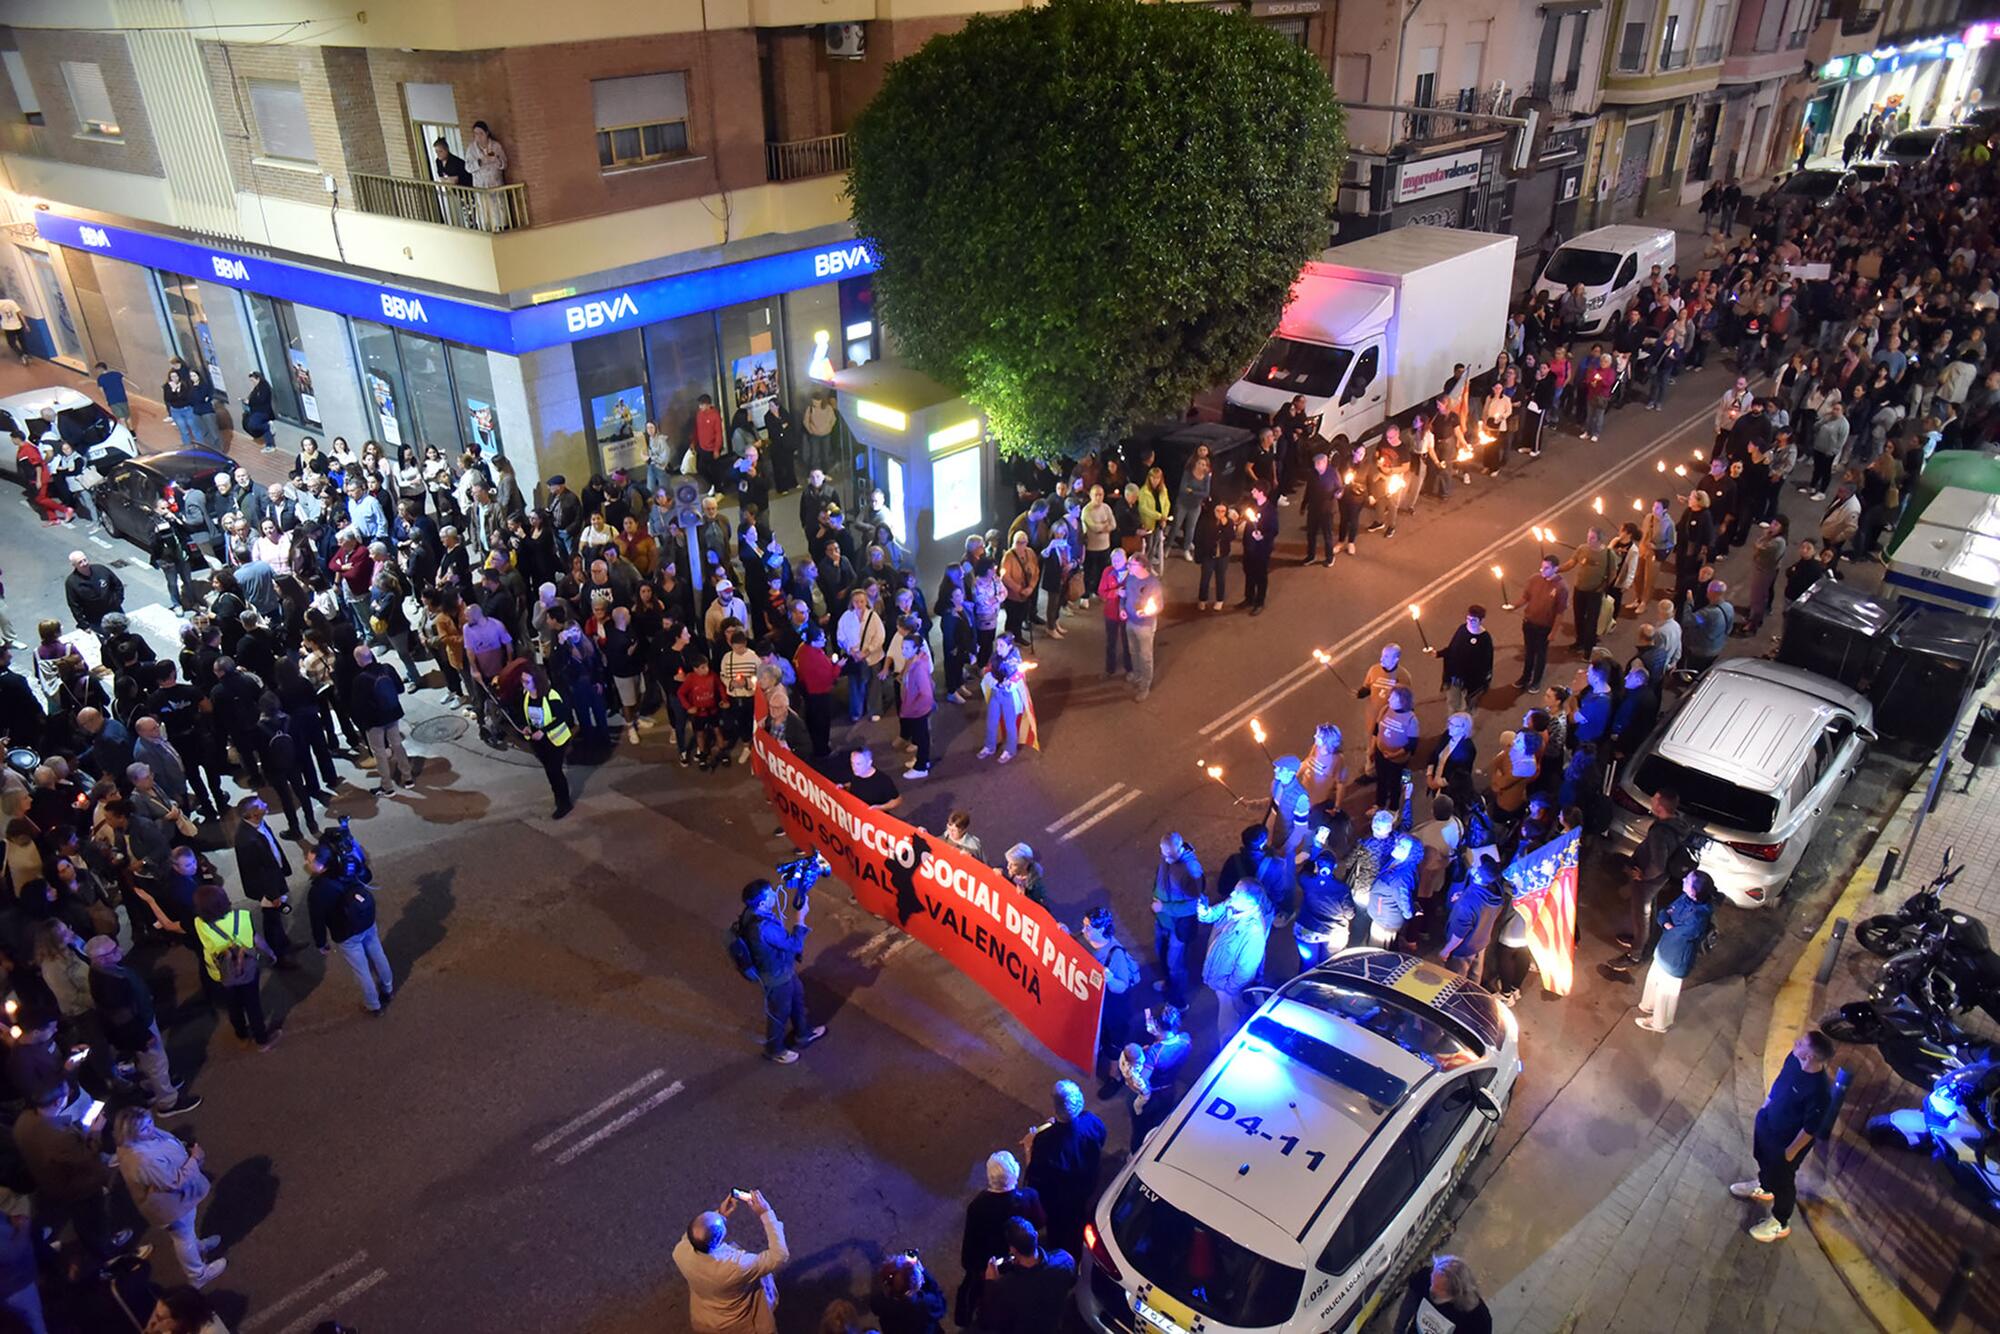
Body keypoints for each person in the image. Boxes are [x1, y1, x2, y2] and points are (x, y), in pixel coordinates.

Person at [1731, 1030, 1834, 1243]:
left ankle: (1779, 1222)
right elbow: (1781, 1081)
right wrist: (1766, 1106)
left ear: (1810, 1056)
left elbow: (1810, 1129)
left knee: (1783, 1180)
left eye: (1801, 1043)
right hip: (1768, 1122)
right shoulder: (1794, 1058)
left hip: (1786, 1143)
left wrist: (1790, 1153)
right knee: (1763, 1160)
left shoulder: (1820, 1091)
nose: (1796, 1042)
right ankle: (1763, 1186)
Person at [86, 935, 200, 1116]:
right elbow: (123, 1018)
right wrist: (143, 1037)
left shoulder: (105, 971)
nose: (120, 951)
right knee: (157, 1062)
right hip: (140, 1028)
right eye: (114, 950)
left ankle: (151, 1086)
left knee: (149, 1062)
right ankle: (168, 1101)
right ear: (101, 959)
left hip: (139, 1023)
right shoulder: (109, 985)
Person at [112, 1106, 225, 1288]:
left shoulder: (137, 1140)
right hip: (169, 1206)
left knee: (187, 1232)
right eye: (143, 1128)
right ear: (132, 1132)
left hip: (175, 1202)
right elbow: (173, 1182)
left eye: (149, 1122)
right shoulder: (142, 1160)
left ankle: (197, 1248)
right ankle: (198, 1274)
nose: (150, 1128)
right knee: (183, 1237)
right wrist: (194, 1159)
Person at [671, 1188, 789, 1333]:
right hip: (740, 1324)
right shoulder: (736, 1266)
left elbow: (698, 1232)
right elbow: (779, 1255)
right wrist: (766, 1214)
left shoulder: (680, 1252)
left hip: (705, 1319)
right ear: (719, 1239)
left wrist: (720, 1213)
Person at [737, 878, 825, 1064]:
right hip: (776, 978)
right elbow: (794, 945)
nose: (775, 895)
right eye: (770, 894)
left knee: (797, 1000)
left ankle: (803, 1034)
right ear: (762, 902)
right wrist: (800, 918)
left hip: (784, 971)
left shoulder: (752, 914)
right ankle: (774, 1050)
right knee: (779, 1015)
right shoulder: (764, 927)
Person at [955, 1152, 1045, 1326]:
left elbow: (971, 1243)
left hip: (988, 1262)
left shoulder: (977, 1206)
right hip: (1018, 1261)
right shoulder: (1028, 1197)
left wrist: (973, 1267)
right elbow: (1040, 1221)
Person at [1608, 788, 1690, 972]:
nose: (1651, 801)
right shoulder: (1677, 822)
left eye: (1654, 800)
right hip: (1659, 879)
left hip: (1649, 881)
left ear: (1660, 807)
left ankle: (1635, 955)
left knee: (1641, 915)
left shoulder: (1660, 833)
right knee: (1648, 910)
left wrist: (1643, 876)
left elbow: (1658, 864)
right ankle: (1642, 941)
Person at [308, 838, 393, 1015]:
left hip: (346, 932)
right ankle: (388, 988)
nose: (306, 863)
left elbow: (317, 919)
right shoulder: (348, 870)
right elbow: (367, 876)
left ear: (322, 865)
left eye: (310, 861)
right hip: (366, 921)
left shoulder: (318, 890)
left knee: (361, 969)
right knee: (378, 953)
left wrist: (321, 942)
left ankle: (373, 1005)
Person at [1020, 1079, 1103, 1259]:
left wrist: (1028, 1147)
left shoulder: (1045, 1142)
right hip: (1085, 1188)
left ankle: (1061, 1256)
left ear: (1055, 1106)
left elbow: (1034, 1176)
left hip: (1058, 1202)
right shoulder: (1093, 1122)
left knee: (1059, 1234)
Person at [194, 882, 282, 1050]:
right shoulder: (242, 917)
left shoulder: (199, 923)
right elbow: (255, 938)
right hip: (246, 970)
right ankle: (262, 1040)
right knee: (253, 1004)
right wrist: (270, 953)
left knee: (233, 1005)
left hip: (220, 972)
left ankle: (241, 1035)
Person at [1635, 869, 1714, 1033]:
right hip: (1664, 950)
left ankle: (1660, 1023)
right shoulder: (1687, 898)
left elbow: (1678, 931)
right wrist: (1667, 923)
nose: (1684, 878)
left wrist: (1668, 923)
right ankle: (1649, 1006)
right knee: (1653, 980)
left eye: (1688, 880)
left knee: (1666, 993)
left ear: (1693, 891)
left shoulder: (1699, 917)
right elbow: (1665, 913)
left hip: (1676, 959)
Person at [974, 1215, 1076, 1334]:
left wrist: (990, 1283)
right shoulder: (1064, 1259)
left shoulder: (1003, 1288)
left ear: (1012, 1249)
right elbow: (1072, 1281)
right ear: (1036, 1236)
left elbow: (987, 1321)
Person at [1197, 882, 1270, 1044]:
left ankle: (1225, 1053)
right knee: (1225, 1019)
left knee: (1227, 1025)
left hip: (1229, 989)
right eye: (1234, 889)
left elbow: (1245, 970)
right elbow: (1210, 916)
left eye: (1238, 893)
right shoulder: (1232, 905)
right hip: (1220, 982)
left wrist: (1228, 989)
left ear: (1251, 902)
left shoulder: (1253, 932)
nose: (1232, 894)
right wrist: (1204, 911)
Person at [232, 796, 299, 969]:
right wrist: (272, 894)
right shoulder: (247, 840)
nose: (266, 804)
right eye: (261, 805)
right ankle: (279, 956)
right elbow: (257, 871)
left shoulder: (259, 824)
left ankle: (284, 945)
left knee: (275, 918)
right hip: (267, 887)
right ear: (253, 813)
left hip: (274, 877)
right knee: (271, 921)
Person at [1150, 832, 1204, 1006]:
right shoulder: (1167, 858)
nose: (1167, 858)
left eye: (1170, 854)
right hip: (1162, 920)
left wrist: (1163, 907)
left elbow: (1192, 905)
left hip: (1177, 925)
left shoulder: (1191, 870)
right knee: (1162, 953)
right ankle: (1168, 983)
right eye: (1164, 853)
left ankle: (1178, 999)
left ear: (1180, 848)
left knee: (1176, 964)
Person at [1394, 1254, 1492, 1334]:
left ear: (1455, 1293)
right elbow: (1408, 1306)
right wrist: (1398, 1331)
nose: (1431, 1289)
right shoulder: (1424, 1278)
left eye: (1440, 1289)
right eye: (1432, 1282)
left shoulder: (1478, 1320)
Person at [1514, 555, 1569, 692]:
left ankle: (1536, 682)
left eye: (1546, 568)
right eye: (1542, 566)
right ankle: (1525, 677)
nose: (1542, 570)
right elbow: (1526, 597)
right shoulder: (1535, 579)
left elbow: (1560, 612)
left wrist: (1553, 632)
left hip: (1544, 628)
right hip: (1529, 623)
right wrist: (1514, 606)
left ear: (1555, 569)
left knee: (1540, 654)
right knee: (1529, 652)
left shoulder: (1561, 587)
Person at [870, 1251, 946, 1334]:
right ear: (917, 1283)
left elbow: (875, 1306)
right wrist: (923, 1271)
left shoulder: (881, 1303)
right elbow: (941, 1305)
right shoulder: (926, 1304)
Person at [1439, 606, 1493, 713]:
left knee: (1469, 706)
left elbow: (1486, 663)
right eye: (1468, 618)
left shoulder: (1484, 639)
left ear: (1481, 620)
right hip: (1456, 677)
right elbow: (1452, 649)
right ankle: (1454, 724)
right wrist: (1437, 653)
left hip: (1472, 680)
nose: (1469, 622)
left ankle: (1466, 722)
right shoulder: (1462, 629)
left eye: (1473, 620)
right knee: (1453, 703)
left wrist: (1485, 679)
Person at [1123, 552, 1162, 700]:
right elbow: (1125, 595)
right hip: (1130, 621)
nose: (1128, 567)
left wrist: (1146, 613)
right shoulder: (1131, 577)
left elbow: (1158, 605)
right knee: (1133, 650)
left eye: (1131, 564)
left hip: (1145, 625)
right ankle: (1137, 674)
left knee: (1145, 656)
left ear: (1142, 566)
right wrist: (1122, 609)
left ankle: (1145, 685)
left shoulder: (1153, 583)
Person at [64, 551, 125, 635]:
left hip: (115, 611)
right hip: (96, 619)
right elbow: (74, 605)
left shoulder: (101, 569)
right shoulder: (72, 582)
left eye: (84, 560)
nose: (84, 563)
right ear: (74, 565)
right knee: (107, 642)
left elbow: (117, 584)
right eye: (80, 562)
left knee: (125, 635)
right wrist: (83, 625)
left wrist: (118, 601)